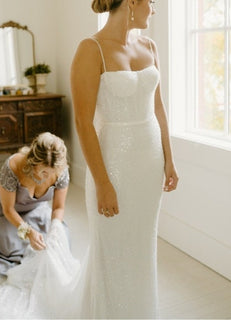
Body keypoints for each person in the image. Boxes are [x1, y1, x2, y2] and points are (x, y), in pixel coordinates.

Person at [70, 0, 178, 318]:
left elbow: (158, 108)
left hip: (149, 164)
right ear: (132, 2)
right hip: (112, 163)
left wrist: (169, 159)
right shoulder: (91, 49)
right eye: (153, 1)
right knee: (113, 246)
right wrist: (103, 183)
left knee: (142, 246)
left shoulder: (150, 46)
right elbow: (82, 122)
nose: (154, 9)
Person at [0, 132, 70, 278]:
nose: (48, 176)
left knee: (56, 240)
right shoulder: (13, 166)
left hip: (37, 211)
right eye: (44, 171)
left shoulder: (61, 171)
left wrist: (55, 226)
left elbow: (58, 207)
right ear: (33, 161)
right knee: (14, 248)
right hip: (9, 214)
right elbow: (8, 209)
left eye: (52, 172)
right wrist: (29, 232)